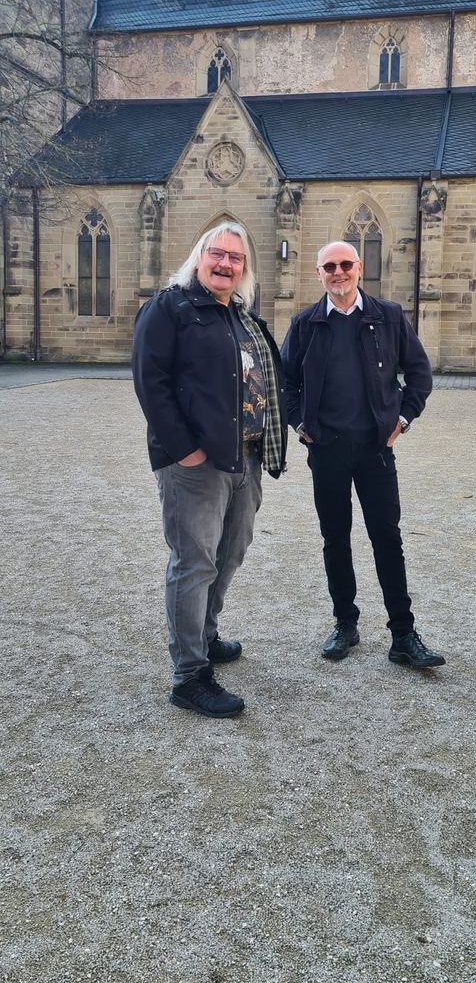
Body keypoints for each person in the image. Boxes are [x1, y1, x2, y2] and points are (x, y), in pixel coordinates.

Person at [132, 222, 287, 718]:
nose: (225, 263)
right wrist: (185, 451)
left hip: (245, 458)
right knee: (194, 562)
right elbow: (150, 382)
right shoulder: (169, 308)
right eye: (216, 254)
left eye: (235, 258)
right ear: (199, 257)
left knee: (229, 553)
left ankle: (205, 633)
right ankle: (189, 676)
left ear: (244, 269)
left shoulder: (239, 315)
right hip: (195, 464)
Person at [281, 241, 445, 669]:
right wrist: (299, 424)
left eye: (345, 264)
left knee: (386, 537)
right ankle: (345, 623)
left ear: (358, 268)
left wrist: (403, 419)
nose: (338, 272)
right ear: (319, 273)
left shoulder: (388, 316)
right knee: (335, 538)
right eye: (329, 266)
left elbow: (419, 373)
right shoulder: (305, 324)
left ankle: (403, 634)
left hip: (376, 449)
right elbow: (285, 383)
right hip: (327, 450)